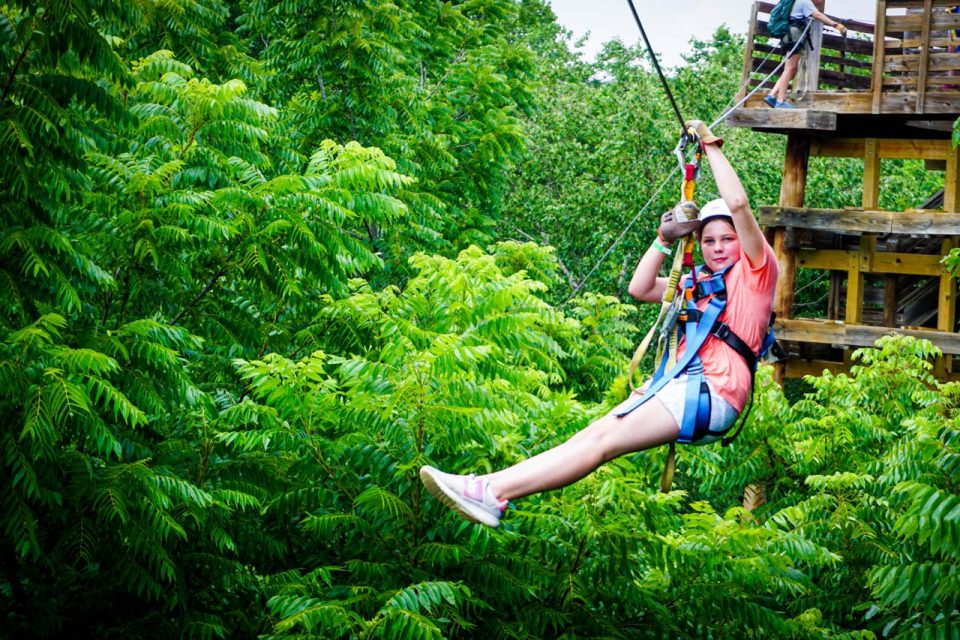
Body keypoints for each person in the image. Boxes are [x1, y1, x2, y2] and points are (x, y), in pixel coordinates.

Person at [419, 121, 779, 528]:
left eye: (726, 240)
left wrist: (710, 146)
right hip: (687, 388)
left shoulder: (757, 275)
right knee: (591, 439)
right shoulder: (701, 286)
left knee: (601, 441)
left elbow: (740, 206)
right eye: (709, 240)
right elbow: (640, 287)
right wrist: (663, 239)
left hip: (712, 392)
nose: (717, 248)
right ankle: (488, 489)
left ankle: (491, 491)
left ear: (743, 243)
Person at [765, 0, 847, 109]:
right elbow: (817, 14)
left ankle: (772, 95)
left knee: (792, 69)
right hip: (795, 35)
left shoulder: (794, 2)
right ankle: (780, 100)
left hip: (790, 34)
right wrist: (835, 25)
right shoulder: (804, 1)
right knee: (789, 69)